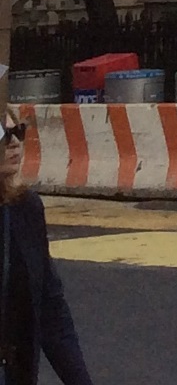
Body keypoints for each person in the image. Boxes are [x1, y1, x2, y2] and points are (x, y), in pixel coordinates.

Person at [0, 94, 95, 384]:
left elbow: (50, 308)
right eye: (4, 135)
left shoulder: (25, 208)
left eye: (18, 132)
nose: (14, 143)